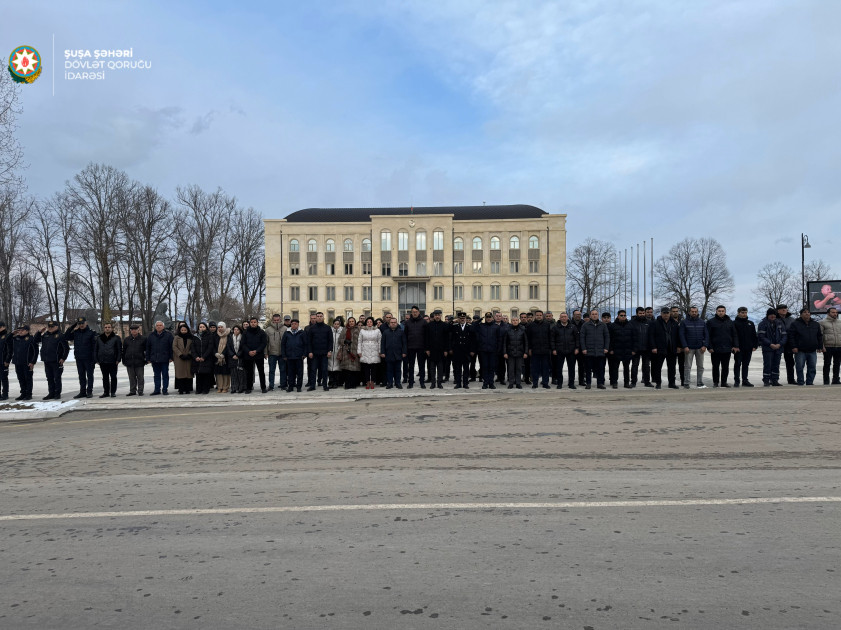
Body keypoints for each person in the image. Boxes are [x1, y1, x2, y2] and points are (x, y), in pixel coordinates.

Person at [34, 320, 70, 400]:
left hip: (56, 360)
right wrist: (39, 332)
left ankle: (57, 393)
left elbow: (66, 348)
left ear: (56, 327)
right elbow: (35, 340)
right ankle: (51, 393)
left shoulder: (60, 335)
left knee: (56, 378)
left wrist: (63, 358)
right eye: (49, 327)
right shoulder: (45, 335)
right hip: (47, 360)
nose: (50, 328)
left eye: (52, 327)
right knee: (49, 377)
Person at [64, 316, 97, 399]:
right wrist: (73, 326)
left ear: (86, 323)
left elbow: (94, 347)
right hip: (79, 358)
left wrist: (94, 359)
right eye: (79, 324)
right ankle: (82, 391)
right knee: (81, 376)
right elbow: (66, 337)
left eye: (82, 323)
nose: (81, 325)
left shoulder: (91, 333)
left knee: (89, 375)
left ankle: (89, 391)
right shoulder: (76, 332)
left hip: (89, 358)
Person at [648, 307, 681, 389]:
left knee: (672, 368)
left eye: (667, 313)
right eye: (664, 313)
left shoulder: (675, 323)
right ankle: (658, 383)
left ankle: (672, 383)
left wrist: (679, 346)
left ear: (670, 313)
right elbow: (651, 336)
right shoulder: (655, 323)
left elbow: (678, 336)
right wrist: (653, 347)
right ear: (661, 314)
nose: (666, 315)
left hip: (671, 348)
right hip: (659, 348)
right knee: (658, 367)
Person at [789, 307, 823, 386]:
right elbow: (791, 336)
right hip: (800, 350)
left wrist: (820, 346)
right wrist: (794, 346)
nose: (807, 314)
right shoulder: (795, 324)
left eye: (808, 312)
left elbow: (819, 336)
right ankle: (800, 382)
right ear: (801, 315)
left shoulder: (815, 324)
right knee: (800, 367)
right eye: (804, 312)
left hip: (812, 350)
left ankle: (810, 382)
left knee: (812, 367)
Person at [706, 305, 739, 387]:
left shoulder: (730, 322)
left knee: (725, 367)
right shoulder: (711, 322)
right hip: (715, 349)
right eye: (719, 311)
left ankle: (724, 382)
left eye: (722, 311)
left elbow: (734, 335)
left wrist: (735, 346)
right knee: (715, 367)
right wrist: (709, 347)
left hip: (727, 348)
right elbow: (707, 336)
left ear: (725, 312)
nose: (721, 312)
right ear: (716, 312)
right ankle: (716, 382)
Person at [679, 306, 708, 389]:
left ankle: (699, 382)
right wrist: (685, 346)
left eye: (695, 311)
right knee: (687, 366)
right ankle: (686, 382)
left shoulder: (702, 322)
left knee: (700, 366)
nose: (694, 313)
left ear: (697, 312)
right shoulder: (684, 322)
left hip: (700, 348)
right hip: (689, 348)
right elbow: (682, 335)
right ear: (689, 312)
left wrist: (705, 345)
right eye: (692, 311)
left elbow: (706, 335)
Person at [580, 309, 610, 389]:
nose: (594, 315)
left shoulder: (603, 325)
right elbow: (582, 338)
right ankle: (588, 383)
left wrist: (606, 347)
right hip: (589, 351)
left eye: (596, 314)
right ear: (590, 315)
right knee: (588, 368)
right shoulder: (585, 325)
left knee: (600, 368)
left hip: (600, 351)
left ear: (598, 315)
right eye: (592, 314)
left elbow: (607, 337)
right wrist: (583, 348)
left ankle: (600, 383)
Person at [757, 308, 786, 386]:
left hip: (778, 348)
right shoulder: (763, 324)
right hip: (768, 348)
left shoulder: (780, 323)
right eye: (771, 315)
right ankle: (766, 380)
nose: (773, 316)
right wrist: (770, 344)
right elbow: (761, 337)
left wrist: (780, 344)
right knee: (768, 364)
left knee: (776, 364)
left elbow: (784, 336)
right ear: (768, 315)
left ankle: (775, 380)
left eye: (774, 315)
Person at [550, 312, 579, 389]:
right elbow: (552, 339)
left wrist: (577, 348)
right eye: (562, 317)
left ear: (567, 317)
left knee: (571, 368)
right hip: (559, 351)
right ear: (559, 318)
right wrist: (553, 349)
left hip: (571, 351)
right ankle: (559, 383)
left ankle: (571, 383)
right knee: (559, 368)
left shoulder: (573, 327)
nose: (564, 318)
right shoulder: (555, 328)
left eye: (565, 316)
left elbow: (577, 339)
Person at [93, 322, 122, 398]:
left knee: (113, 377)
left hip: (113, 361)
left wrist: (118, 359)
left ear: (111, 328)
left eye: (109, 327)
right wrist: (96, 359)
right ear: (104, 328)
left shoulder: (116, 338)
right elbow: (96, 349)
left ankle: (113, 392)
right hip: (103, 361)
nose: (107, 328)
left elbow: (119, 350)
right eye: (106, 327)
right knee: (105, 377)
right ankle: (106, 392)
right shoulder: (99, 338)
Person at [607, 310, 635, 389]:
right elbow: (610, 339)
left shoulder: (630, 325)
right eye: (621, 315)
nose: (623, 317)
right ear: (618, 316)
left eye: (624, 315)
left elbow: (634, 338)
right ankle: (614, 382)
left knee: (626, 368)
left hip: (627, 350)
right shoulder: (612, 326)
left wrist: (633, 349)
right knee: (615, 368)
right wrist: (611, 349)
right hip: (616, 350)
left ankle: (626, 383)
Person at [10, 325, 38, 400]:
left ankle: (28, 394)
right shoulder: (16, 338)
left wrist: (33, 362)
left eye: (22, 330)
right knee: (21, 378)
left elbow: (35, 351)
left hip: (27, 362)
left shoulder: (31, 339)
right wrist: (12, 334)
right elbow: (6, 340)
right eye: (19, 330)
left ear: (27, 331)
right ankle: (23, 393)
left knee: (28, 378)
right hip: (18, 362)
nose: (20, 332)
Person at [475, 312, 502, 390]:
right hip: (483, 350)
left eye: (490, 317)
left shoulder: (496, 327)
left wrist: (498, 349)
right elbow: (473, 327)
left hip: (493, 351)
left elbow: (499, 339)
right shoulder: (481, 326)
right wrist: (480, 319)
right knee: (484, 367)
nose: (488, 318)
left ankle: (491, 383)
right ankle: (485, 383)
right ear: (485, 318)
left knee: (492, 367)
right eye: (487, 317)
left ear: (492, 318)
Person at [526, 310, 553, 389]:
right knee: (535, 368)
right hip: (535, 350)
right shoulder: (531, 325)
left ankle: (545, 383)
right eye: (537, 315)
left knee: (545, 368)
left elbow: (549, 337)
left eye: (540, 315)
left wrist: (550, 348)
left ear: (542, 316)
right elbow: (529, 338)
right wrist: (530, 349)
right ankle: (535, 383)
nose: (539, 316)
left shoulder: (547, 325)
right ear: (535, 316)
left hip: (545, 350)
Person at [146, 320, 173, 395]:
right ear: (155, 327)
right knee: (156, 375)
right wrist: (148, 358)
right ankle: (157, 390)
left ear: (163, 326)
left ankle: (165, 390)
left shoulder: (168, 335)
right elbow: (148, 348)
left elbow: (171, 347)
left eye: (160, 325)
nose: (159, 327)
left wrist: (171, 357)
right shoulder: (151, 335)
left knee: (165, 375)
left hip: (165, 358)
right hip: (154, 359)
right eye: (157, 325)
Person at [306, 312, 332, 391]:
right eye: (318, 316)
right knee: (313, 370)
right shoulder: (312, 328)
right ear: (316, 318)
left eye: (321, 316)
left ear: (323, 317)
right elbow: (309, 341)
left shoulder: (327, 328)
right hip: (314, 353)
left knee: (324, 370)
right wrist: (310, 351)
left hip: (324, 353)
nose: (319, 317)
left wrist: (329, 351)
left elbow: (330, 341)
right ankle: (312, 385)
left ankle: (325, 385)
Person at [733, 307, 758, 387]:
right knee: (737, 364)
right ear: (738, 313)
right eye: (742, 312)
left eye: (745, 312)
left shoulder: (750, 323)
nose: (744, 314)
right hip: (738, 348)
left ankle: (745, 380)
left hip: (748, 348)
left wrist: (755, 345)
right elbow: (733, 336)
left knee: (746, 364)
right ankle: (737, 380)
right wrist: (734, 346)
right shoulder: (734, 323)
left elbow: (754, 335)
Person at [450, 312, 476, 389]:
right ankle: (458, 383)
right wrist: (451, 348)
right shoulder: (454, 326)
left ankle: (465, 383)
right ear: (458, 319)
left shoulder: (470, 327)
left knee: (466, 369)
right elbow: (451, 338)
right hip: (457, 351)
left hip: (466, 351)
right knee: (457, 369)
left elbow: (473, 340)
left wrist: (472, 350)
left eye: (463, 318)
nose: (462, 320)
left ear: (465, 319)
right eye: (460, 318)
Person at [403, 306, 427, 389]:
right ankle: (410, 383)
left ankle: (422, 382)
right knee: (411, 366)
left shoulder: (423, 322)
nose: (415, 313)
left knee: (421, 366)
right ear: (411, 313)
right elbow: (405, 336)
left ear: (419, 312)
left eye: (416, 311)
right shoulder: (408, 322)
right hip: (411, 347)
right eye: (413, 312)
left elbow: (426, 336)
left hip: (421, 347)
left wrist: (426, 347)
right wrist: (405, 348)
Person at [423, 310, 449, 389]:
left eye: (438, 315)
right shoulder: (429, 325)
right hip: (431, 350)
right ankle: (433, 383)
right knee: (432, 368)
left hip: (441, 350)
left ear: (441, 316)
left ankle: (439, 383)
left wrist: (446, 350)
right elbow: (426, 338)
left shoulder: (444, 325)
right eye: (436, 315)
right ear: (433, 316)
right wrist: (427, 349)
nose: (437, 316)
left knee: (440, 368)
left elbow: (447, 339)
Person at [281, 319, 307, 392]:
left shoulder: (302, 333)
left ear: (298, 325)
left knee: (299, 373)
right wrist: (284, 355)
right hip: (289, 356)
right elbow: (283, 344)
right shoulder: (287, 333)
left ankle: (299, 387)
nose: (294, 325)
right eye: (292, 324)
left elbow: (305, 344)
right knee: (290, 373)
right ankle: (291, 386)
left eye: (295, 324)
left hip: (299, 356)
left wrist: (304, 354)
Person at [380, 317, 407, 389]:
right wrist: (382, 352)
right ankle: (390, 383)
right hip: (388, 354)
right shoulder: (386, 332)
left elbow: (404, 343)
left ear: (397, 323)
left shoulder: (401, 332)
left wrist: (404, 352)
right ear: (389, 324)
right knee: (389, 370)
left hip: (398, 354)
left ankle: (398, 383)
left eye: (394, 322)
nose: (393, 324)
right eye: (392, 322)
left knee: (398, 369)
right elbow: (382, 343)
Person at [264, 314, 288, 392]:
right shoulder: (268, 330)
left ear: (280, 320)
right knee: (271, 370)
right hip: (272, 353)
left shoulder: (285, 329)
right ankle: (271, 385)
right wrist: (265, 352)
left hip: (282, 353)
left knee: (283, 370)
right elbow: (266, 342)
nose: (276, 321)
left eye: (278, 320)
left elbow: (288, 342)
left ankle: (283, 385)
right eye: (275, 320)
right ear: (272, 320)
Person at [502, 316, 528, 389]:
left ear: (518, 321)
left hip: (520, 353)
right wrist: (505, 352)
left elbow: (526, 342)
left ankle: (518, 383)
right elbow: (505, 343)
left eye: (516, 320)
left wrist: (525, 352)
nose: (515, 321)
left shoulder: (522, 330)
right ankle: (511, 383)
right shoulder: (508, 330)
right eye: (513, 320)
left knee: (519, 369)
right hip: (510, 353)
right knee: (511, 369)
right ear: (511, 321)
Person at [122, 324, 147, 396]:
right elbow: (124, 351)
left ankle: (140, 390)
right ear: (130, 331)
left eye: (135, 329)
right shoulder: (127, 340)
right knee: (131, 377)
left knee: (140, 377)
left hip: (140, 361)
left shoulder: (143, 339)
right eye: (132, 330)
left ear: (138, 330)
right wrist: (124, 360)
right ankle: (132, 390)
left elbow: (146, 350)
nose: (134, 331)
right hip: (129, 361)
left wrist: (145, 359)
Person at [358, 316, 382, 390]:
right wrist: (359, 351)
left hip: (374, 349)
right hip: (365, 349)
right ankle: (367, 381)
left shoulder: (377, 330)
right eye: (368, 322)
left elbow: (380, 341)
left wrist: (380, 351)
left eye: (370, 322)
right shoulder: (362, 331)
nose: (369, 323)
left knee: (374, 367)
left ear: (373, 322)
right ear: (366, 323)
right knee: (366, 367)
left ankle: (373, 381)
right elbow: (359, 341)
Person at [631, 307, 652, 388]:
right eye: (640, 313)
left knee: (646, 366)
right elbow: (630, 336)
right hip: (636, 348)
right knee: (634, 365)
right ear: (637, 314)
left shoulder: (649, 322)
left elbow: (651, 335)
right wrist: (632, 348)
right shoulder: (632, 323)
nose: (642, 315)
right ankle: (633, 382)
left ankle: (647, 382)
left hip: (646, 348)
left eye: (643, 313)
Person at [192, 322, 216, 394]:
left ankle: (206, 389)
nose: (202, 328)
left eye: (203, 327)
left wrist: (204, 356)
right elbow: (192, 347)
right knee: (198, 374)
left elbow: (210, 347)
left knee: (206, 374)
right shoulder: (195, 336)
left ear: (206, 328)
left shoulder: (209, 336)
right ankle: (199, 389)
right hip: (197, 358)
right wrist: (196, 356)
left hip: (206, 358)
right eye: (200, 327)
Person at [819, 306, 841, 385]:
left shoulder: (840, 322)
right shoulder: (822, 322)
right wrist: (822, 346)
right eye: (833, 312)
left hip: (838, 346)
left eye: (836, 312)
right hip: (828, 346)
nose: (835, 314)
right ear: (828, 313)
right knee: (827, 364)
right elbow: (820, 335)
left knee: (837, 364)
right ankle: (826, 381)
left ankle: (836, 380)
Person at [776, 305, 797, 385]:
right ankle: (774, 379)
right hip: (777, 343)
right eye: (782, 309)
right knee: (775, 362)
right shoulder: (775, 319)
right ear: (778, 311)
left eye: (785, 309)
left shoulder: (792, 320)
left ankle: (791, 379)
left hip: (789, 343)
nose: (784, 310)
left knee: (790, 362)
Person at [173, 323, 195, 394]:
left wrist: (189, 354)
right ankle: (181, 389)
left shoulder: (191, 337)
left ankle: (188, 388)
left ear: (187, 330)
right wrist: (180, 354)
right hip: (179, 358)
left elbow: (194, 347)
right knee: (180, 373)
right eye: (182, 330)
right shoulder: (177, 337)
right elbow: (174, 347)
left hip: (189, 358)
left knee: (188, 373)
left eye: (185, 330)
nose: (183, 331)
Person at [340, 316, 361, 389]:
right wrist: (344, 341)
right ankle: (347, 384)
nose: (351, 323)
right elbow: (340, 340)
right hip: (346, 351)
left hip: (355, 351)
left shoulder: (358, 329)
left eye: (353, 321)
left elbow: (361, 340)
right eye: (350, 321)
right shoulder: (345, 329)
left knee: (354, 369)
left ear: (355, 322)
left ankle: (353, 384)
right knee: (347, 369)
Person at [212, 322, 232, 393]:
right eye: (219, 327)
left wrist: (223, 353)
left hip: (226, 357)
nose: (220, 328)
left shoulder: (229, 334)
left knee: (226, 372)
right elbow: (213, 345)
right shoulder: (215, 335)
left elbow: (229, 345)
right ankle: (220, 386)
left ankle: (225, 387)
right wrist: (216, 353)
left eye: (221, 327)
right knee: (219, 373)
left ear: (224, 327)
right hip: (217, 357)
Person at [227, 324, 246, 393]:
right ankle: (234, 387)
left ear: (240, 330)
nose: (236, 331)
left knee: (241, 373)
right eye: (234, 329)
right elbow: (228, 347)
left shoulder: (243, 337)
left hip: (240, 358)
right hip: (232, 358)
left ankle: (241, 387)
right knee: (233, 374)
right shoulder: (230, 337)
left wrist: (238, 355)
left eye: (237, 329)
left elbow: (243, 347)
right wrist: (233, 355)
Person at [327, 316, 345, 389]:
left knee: (337, 368)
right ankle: (330, 382)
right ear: (333, 324)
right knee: (330, 368)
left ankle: (336, 382)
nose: (336, 325)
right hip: (331, 352)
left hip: (338, 351)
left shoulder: (342, 331)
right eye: (335, 324)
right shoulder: (330, 331)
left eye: (338, 324)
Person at [670, 307, 686, 386]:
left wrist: (682, 346)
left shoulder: (682, 321)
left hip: (682, 347)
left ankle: (683, 380)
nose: (675, 313)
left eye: (676, 311)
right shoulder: (668, 322)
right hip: (672, 347)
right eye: (673, 311)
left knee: (682, 365)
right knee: (672, 366)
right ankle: (672, 381)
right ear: (670, 312)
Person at [571, 310, 587, 386]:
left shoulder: (584, 324)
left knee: (582, 366)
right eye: (576, 314)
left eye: (579, 314)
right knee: (571, 366)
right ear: (573, 315)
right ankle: (571, 380)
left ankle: (581, 381)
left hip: (581, 348)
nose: (578, 316)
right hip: (572, 348)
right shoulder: (569, 323)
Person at [0, 322, 10, 400]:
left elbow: (9, 350)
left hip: (3, 361)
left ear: (3, 327)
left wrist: (7, 360)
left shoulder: (7, 336)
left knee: (4, 378)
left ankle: (5, 394)